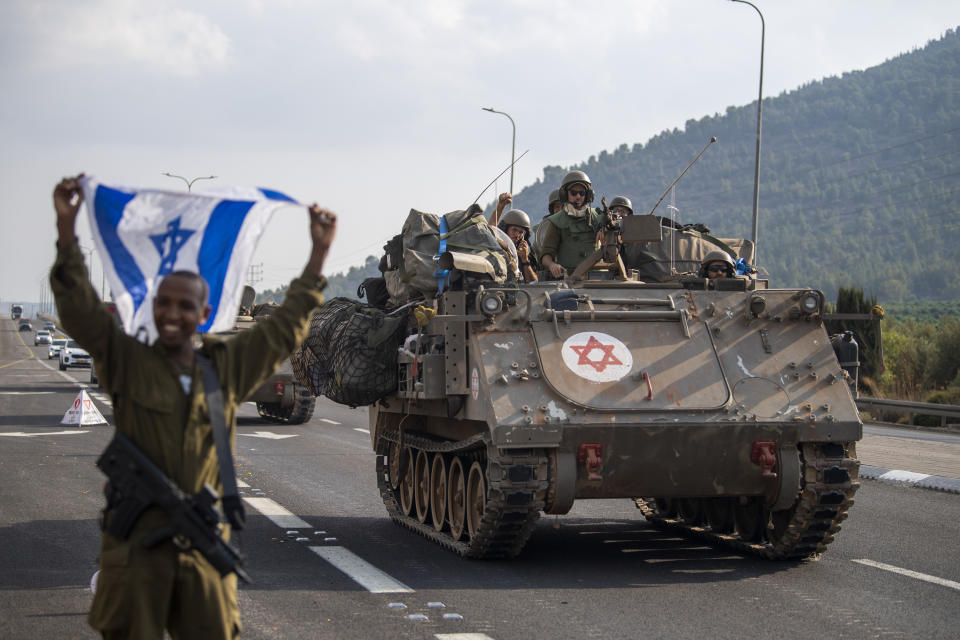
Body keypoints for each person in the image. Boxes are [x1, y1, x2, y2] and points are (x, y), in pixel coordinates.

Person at [50, 176, 336, 640]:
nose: (172, 313)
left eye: (185, 305)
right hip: (135, 544)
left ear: (204, 314)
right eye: (163, 303)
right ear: (152, 307)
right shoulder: (125, 359)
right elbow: (77, 307)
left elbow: (284, 328)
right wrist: (67, 227)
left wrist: (318, 255)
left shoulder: (225, 367)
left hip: (201, 547)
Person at [538, 170, 604, 279]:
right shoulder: (557, 221)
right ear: (565, 194)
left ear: (588, 195)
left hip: (596, 278)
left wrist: (605, 230)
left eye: (582, 193)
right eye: (573, 193)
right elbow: (546, 255)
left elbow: (618, 235)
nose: (578, 196)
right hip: (569, 278)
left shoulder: (598, 217)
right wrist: (552, 265)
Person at [498, 209, 538, 283]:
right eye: (514, 230)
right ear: (505, 230)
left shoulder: (526, 254)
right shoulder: (497, 249)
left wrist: (525, 260)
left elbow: (533, 284)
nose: (517, 235)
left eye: (521, 232)